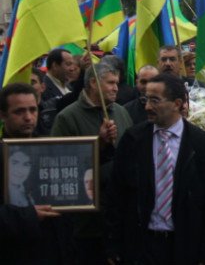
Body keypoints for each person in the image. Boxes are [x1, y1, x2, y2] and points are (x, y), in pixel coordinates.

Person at [106, 73, 205, 265]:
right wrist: (113, 243)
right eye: (146, 99)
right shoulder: (133, 140)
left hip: (184, 247)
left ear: (177, 103)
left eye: (155, 100)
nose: (147, 107)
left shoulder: (201, 144)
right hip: (141, 246)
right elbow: (116, 195)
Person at [51, 63, 133, 264]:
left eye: (117, 83)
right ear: (94, 83)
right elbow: (60, 166)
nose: (116, 88)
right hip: (87, 222)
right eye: (111, 83)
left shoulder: (121, 112)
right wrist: (99, 143)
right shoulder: (67, 117)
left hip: (119, 215)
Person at [0, 83, 63, 263]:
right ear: (3, 115)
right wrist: (28, 216)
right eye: (19, 111)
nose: (28, 117)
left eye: (32, 110)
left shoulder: (51, 149)